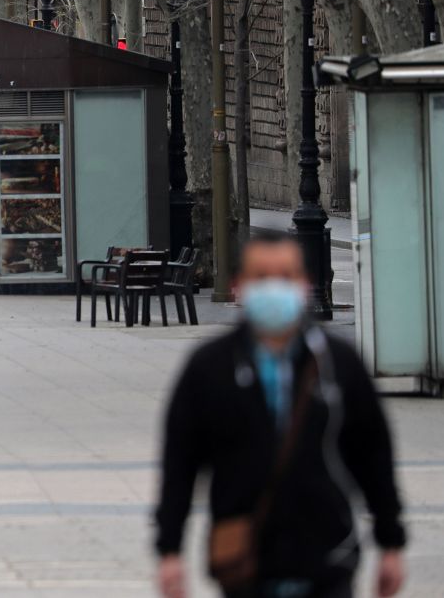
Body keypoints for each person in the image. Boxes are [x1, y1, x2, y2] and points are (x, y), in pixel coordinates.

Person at [155, 230, 406, 598]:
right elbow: (180, 465)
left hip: (328, 558)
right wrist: (170, 551)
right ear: (239, 286)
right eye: (261, 277)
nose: (274, 288)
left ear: (304, 285)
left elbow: (373, 456)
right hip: (245, 561)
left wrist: (391, 542)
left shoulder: (338, 364)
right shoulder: (210, 368)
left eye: (285, 276)